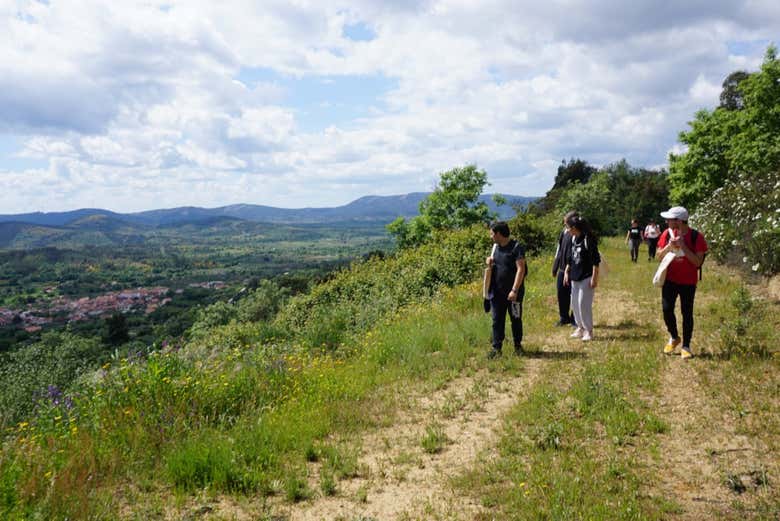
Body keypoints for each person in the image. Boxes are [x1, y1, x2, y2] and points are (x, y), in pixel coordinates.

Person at [656, 206, 707, 359]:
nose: (666, 221)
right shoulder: (666, 234)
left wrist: (683, 246)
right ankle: (674, 337)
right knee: (667, 309)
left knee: (687, 313)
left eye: (670, 219)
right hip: (670, 280)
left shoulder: (696, 237)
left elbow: (698, 262)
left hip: (688, 282)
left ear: (678, 221)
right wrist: (668, 247)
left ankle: (686, 346)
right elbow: (658, 256)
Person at [485, 221, 526, 358]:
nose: (491, 236)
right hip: (497, 293)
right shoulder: (495, 248)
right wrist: (489, 262)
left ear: (498, 234)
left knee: (516, 318)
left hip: (514, 294)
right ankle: (497, 349)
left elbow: (521, 269)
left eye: (492, 233)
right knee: (497, 320)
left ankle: (518, 346)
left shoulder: (516, 247)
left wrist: (514, 290)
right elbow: (493, 266)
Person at [564, 215, 600, 342]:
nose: (567, 230)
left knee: (583, 304)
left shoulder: (588, 239)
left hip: (586, 277)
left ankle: (588, 330)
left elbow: (596, 260)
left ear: (574, 227)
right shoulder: (574, 238)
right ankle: (579, 327)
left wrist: (594, 277)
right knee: (574, 304)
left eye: (568, 227)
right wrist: (567, 271)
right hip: (575, 277)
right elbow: (571, 257)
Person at [552, 211, 578, 327]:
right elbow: (559, 249)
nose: (564, 224)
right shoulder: (564, 232)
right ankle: (564, 318)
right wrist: (555, 266)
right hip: (562, 269)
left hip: (574, 269)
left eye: (566, 222)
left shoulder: (577, 234)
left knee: (575, 295)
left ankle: (575, 319)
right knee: (561, 294)